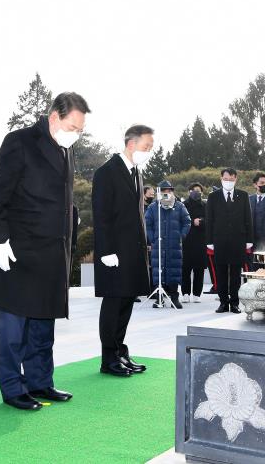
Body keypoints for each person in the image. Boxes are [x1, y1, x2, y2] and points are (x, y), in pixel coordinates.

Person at [0, 92, 90, 410]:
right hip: (20, 249)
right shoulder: (19, 142)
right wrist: (0, 240)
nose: (75, 134)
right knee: (14, 326)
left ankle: (40, 380)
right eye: (72, 126)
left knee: (44, 323)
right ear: (53, 118)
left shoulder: (65, 150)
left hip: (53, 250)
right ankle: (12, 387)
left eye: (80, 129)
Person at [93, 124, 153, 377]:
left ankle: (120, 351)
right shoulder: (107, 172)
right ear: (131, 144)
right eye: (146, 146)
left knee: (127, 302)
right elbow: (102, 214)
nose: (149, 151)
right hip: (114, 253)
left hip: (132, 251)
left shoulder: (136, 173)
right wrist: (106, 250)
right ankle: (108, 358)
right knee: (113, 303)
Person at [206, 168, 254, 314]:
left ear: (236, 179)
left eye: (231, 179)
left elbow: (248, 219)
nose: (229, 182)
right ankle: (223, 303)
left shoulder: (243, 195)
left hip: (238, 240)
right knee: (221, 274)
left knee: (235, 275)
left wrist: (249, 240)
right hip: (219, 241)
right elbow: (209, 220)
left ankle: (234, 303)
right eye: (226, 179)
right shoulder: (213, 196)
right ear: (221, 179)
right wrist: (209, 240)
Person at [145, 180, 191, 309]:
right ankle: (159, 298)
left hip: (174, 244)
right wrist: (152, 237)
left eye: (169, 191)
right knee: (158, 269)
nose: (166, 193)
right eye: (163, 191)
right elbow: (147, 224)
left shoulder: (179, 206)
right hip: (158, 244)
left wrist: (181, 236)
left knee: (174, 269)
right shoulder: (153, 207)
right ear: (159, 193)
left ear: (172, 192)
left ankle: (174, 297)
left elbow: (187, 222)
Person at [181, 183, 207, 303]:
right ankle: (185, 293)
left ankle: (197, 294)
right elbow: (180, 220)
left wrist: (201, 221)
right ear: (189, 192)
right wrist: (191, 221)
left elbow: (210, 220)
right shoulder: (183, 205)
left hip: (201, 240)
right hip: (186, 240)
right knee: (185, 268)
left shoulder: (205, 205)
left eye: (198, 191)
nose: (196, 192)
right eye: (194, 190)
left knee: (199, 269)